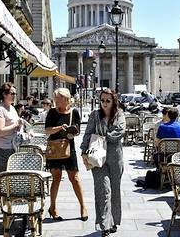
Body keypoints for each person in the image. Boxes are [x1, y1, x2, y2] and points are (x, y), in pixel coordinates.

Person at [81, 88, 126, 236]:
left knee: (114, 190)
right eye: (102, 100)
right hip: (97, 157)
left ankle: (114, 221)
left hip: (115, 157)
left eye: (108, 101)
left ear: (113, 101)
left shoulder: (119, 114)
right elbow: (87, 133)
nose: (104, 104)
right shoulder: (95, 115)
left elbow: (120, 131)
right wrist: (83, 151)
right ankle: (104, 224)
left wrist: (103, 136)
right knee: (102, 190)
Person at [44, 88, 87, 221]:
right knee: (56, 178)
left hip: (69, 147)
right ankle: (53, 207)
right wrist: (59, 128)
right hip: (54, 148)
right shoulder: (52, 112)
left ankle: (83, 206)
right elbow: (47, 131)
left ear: (66, 99)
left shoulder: (74, 112)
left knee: (74, 178)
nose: (56, 101)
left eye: (58, 98)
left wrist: (71, 132)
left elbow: (77, 130)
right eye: (55, 98)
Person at [0, 83, 23, 215]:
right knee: (3, 176)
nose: (14, 95)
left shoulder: (12, 108)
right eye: (11, 93)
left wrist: (19, 127)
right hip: (2, 147)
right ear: (4, 94)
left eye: (14, 93)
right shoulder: (0, 109)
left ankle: (1, 203)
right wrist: (14, 126)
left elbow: (14, 125)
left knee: (5, 176)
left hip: (12, 145)